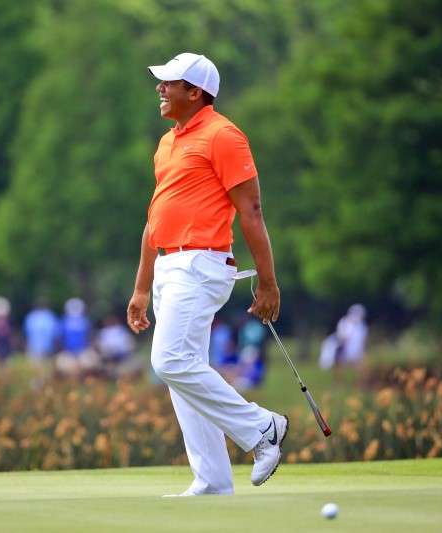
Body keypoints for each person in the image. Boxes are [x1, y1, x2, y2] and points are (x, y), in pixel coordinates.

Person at [126, 52, 287, 496]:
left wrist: (269, 282)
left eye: (169, 82)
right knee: (185, 372)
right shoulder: (167, 142)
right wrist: (141, 287)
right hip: (168, 266)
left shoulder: (224, 135)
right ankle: (214, 478)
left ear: (194, 92)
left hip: (201, 264)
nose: (160, 88)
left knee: (169, 362)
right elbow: (155, 217)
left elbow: (251, 211)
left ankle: (262, 428)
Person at [54, 298, 99, 378]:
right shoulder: (85, 321)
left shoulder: (63, 321)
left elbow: (58, 340)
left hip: (75, 352)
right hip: (74, 353)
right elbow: (91, 337)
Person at [23, 298, 61, 387]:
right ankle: (45, 386)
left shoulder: (31, 317)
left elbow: (26, 334)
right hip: (47, 348)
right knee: (46, 371)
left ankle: (37, 387)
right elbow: (56, 334)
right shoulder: (50, 316)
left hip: (35, 348)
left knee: (36, 371)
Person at [319, 304, 368, 370]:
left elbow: (362, 341)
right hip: (344, 349)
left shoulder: (362, 326)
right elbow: (341, 336)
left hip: (354, 351)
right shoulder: (345, 322)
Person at [96, 314, 141, 379]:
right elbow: (100, 346)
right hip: (109, 358)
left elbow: (130, 343)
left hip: (124, 357)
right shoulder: (103, 332)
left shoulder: (121, 330)